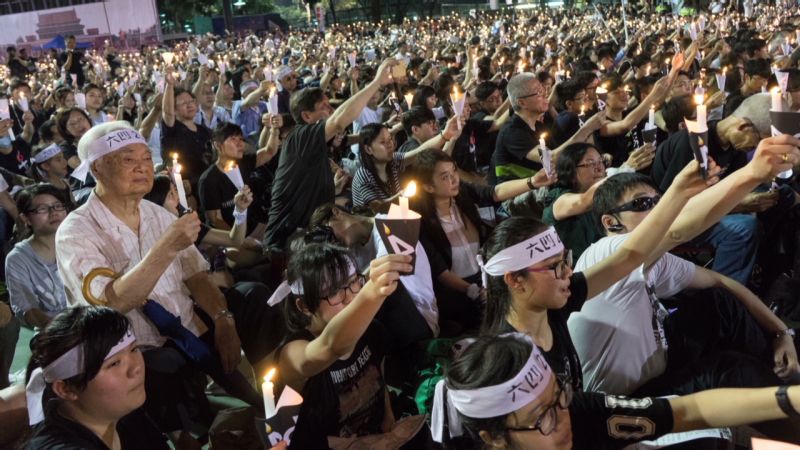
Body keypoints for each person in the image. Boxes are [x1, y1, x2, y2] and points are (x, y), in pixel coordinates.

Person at [55, 121, 284, 433]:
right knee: (167, 367)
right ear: (98, 169)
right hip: (136, 347)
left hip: (187, 323)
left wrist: (223, 318)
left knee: (254, 296)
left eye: (146, 159)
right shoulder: (77, 230)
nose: (142, 168)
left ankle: (270, 387)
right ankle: (194, 428)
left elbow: (196, 275)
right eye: (128, 160)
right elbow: (113, 302)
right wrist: (166, 246)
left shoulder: (157, 214)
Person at [567, 170, 799, 397]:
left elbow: (721, 281)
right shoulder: (606, 251)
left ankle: (784, 362)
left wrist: (781, 332)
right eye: (642, 204)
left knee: (718, 303)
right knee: (730, 369)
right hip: (627, 399)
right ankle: (788, 397)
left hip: (661, 356)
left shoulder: (653, 260)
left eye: (659, 202)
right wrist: (756, 170)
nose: (657, 210)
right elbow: (678, 230)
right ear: (611, 222)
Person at [432, 332, 800, 450]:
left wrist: (788, 399)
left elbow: (686, 411)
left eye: (558, 396)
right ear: (494, 438)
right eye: (541, 418)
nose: (562, 420)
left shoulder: (576, 414)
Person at [271, 243, 418, 449]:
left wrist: (388, 416)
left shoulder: (371, 330)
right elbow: (331, 346)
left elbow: (379, 376)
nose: (350, 298)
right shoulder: (292, 354)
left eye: (353, 283)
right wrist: (373, 290)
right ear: (304, 306)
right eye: (333, 292)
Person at [263, 58, 400, 251]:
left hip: (312, 234)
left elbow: (350, 137)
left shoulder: (316, 143)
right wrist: (376, 82)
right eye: (324, 107)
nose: (331, 110)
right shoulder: (299, 137)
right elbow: (338, 122)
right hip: (286, 243)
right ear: (306, 116)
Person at [24, 305, 170, 449]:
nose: (136, 368)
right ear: (65, 389)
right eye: (114, 363)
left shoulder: (124, 414)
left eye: (134, 349)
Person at [6, 184, 70, 329]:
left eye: (58, 206)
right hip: (54, 332)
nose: (53, 212)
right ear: (25, 219)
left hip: (93, 322)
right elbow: (27, 309)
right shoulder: (18, 259)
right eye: (42, 209)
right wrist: (62, 329)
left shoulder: (80, 242)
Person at [161, 73, 212, 186]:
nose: (189, 105)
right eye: (183, 103)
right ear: (175, 110)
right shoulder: (172, 130)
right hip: (182, 187)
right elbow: (167, 112)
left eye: (191, 101)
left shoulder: (205, 131)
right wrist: (169, 85)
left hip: (206, 184)